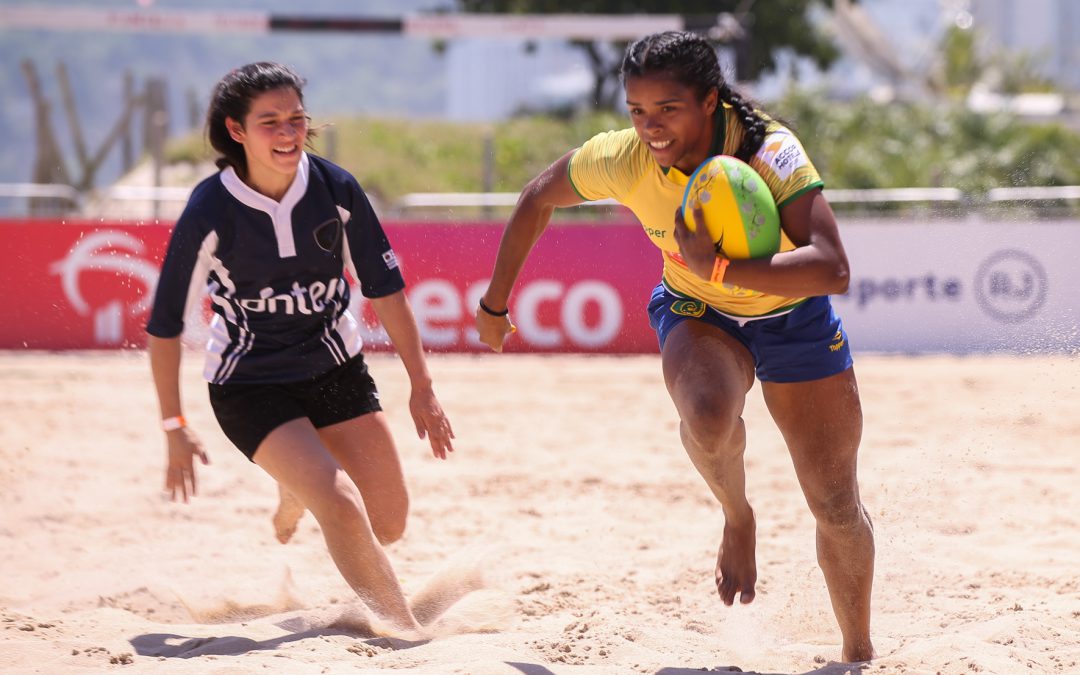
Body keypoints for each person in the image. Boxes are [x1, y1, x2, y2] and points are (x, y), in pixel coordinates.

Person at [474, 31, 876, 662]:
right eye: (636, 110)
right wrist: (495, 303)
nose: (650, 127)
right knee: (710, 415)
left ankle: (858, 649)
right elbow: (535, 197)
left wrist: (719, 267)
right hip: (698, 310)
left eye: (668, 109)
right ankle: (737, 514)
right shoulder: (624, 158)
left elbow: (832, 268)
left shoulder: (769, 152)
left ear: (710, 101)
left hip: (794, 314)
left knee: (834, 503)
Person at [146, 62, 457, 634]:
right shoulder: (210, 210)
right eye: (270, 123)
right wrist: (173, 423)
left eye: (296, 119)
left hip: (337, 370)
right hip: (249, 385)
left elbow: (387, 292)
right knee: (338, 502)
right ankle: (405, 630)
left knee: (388, 522)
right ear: (236, 131)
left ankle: (296, 489)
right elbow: (164, 328)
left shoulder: (336, 188)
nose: (288, 134)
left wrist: (423, 387)